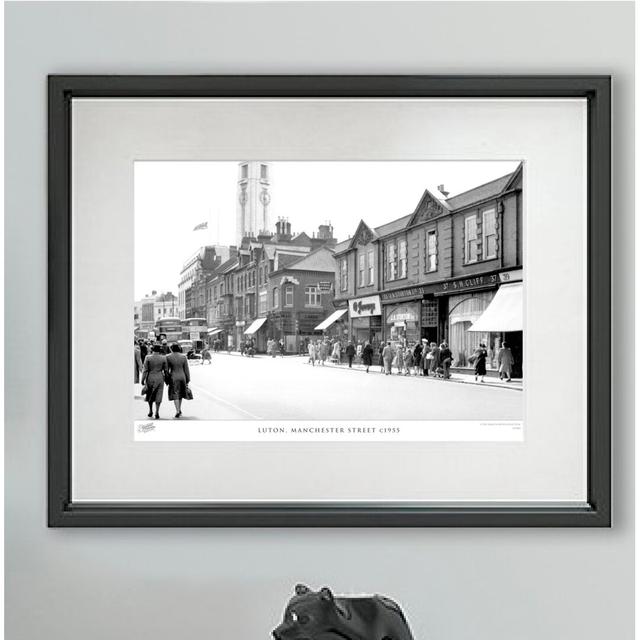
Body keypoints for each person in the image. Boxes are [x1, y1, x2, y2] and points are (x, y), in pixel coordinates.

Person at [141, 343, 167, 419]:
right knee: (159, 394)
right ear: (160, 350)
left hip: (150, 377)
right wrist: (167, 380)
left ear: (152, 350)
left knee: (150, 394)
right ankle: (157, 412)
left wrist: (142, 380)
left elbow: (145, 370)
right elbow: (166, 371)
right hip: (160, 377)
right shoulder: (163, 358)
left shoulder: (148, 357)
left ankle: (150, 411)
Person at [166, 342, 191, 418]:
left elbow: (166, 370)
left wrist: (166, 380)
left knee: (175, 394)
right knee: (180, 394)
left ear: (172, 349)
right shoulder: (183, 357)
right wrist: (188, 379)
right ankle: (179, 409)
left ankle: (177, 410)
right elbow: (186, 369)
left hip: (173, 377)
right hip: (182, 376)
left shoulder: (168, 357)